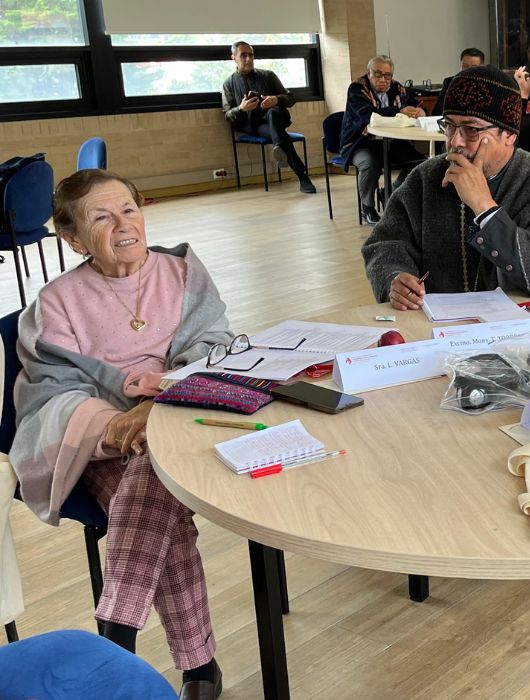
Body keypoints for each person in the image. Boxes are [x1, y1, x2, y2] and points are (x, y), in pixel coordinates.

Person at [11, 170, 234, 700]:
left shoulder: (182, 271)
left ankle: (118, 636)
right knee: (159, 497)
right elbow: (51, 390)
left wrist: (159, 403)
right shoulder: (57, 301)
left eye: (128, 210)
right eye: (101, 217)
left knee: (154, 462)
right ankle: (198, 669)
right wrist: (118, 425)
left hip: (182, 419)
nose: (123, 225)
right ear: (73, 239)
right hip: (102, 443)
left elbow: (215, 346)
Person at [362, 66, 530, 306]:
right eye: (450, 126)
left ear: (510, 135)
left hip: (528, 324)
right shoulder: (426, 178)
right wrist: (394, 278)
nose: (455, 141)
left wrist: (485, 209)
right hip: (439, 325)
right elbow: (385, 243)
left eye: (471, 129)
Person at [339, 55, 427, 225]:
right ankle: (367, 207)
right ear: (369, 73)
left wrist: (421, 111)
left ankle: (390, 193)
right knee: (370, 163)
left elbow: (416, 104)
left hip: (391, 142)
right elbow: (368, 115)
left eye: (387, 75)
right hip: (359, 142)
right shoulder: (357, 89)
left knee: (420, 164)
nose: (383, 79)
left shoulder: (397, 88)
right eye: (377, 74)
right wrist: (398, 111)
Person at [221, 41, 316, 194]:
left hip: (277, 117)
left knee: (273, 113)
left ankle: (279, 148)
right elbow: (228, 115)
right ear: (234, 57)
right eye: (243, 55)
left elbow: (291, 99)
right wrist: (241, 108)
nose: (248, 59)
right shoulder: (228, 84)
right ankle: (302, 176)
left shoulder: (268, 75)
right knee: (281, 136)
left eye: (251, 55)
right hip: (255, 126)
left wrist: (276, 99)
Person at [431, 48, 486, 116]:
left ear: (482, 68)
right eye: (465, 66)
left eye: (473, 67)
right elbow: (437, 111)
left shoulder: (487, 85)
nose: (468, 71)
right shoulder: (449, 82)